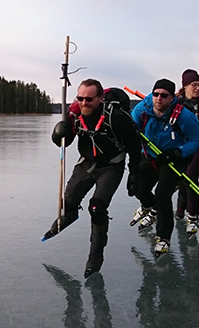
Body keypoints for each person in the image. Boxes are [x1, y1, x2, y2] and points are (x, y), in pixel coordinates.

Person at [45, 79, 142, 277]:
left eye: (89, 99)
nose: (84, 103)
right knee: (69, 200)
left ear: (100, 98)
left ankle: (95, 257)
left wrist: (134, 172)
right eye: (80, 98)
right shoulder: (75, 115)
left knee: (97, 207)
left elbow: (134, 145)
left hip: (111, 166)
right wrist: (59, 133)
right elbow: (66, 141)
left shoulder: (115, 118)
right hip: (86, 163)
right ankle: (70, 216)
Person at [130, 79, 199, 255]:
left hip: (173, 159)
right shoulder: (142, 109)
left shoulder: (184, 116)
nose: (158, 98)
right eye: (156, 94)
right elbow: (132, 130)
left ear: (172, 98)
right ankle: (151, 206)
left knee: (163, 195)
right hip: (150, 155)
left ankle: (163, 238)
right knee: (139, 189)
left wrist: (179, 152)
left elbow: (198, 140)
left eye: (164, 95)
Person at [174, 70, 199, 236]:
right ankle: (181, 208)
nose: (197, 88)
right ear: (185, 86)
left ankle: (192, 216)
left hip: (198, 145)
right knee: (181, 178)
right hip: (180, 146)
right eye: (193, 85)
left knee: (190, 178)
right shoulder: (177, 103)